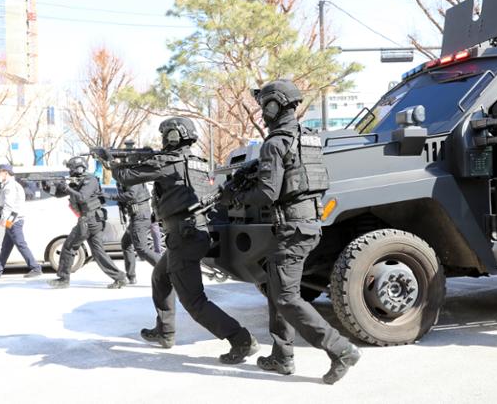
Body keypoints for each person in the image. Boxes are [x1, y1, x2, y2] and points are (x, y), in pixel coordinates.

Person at [223, 80, 360, 384]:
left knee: (286, 297)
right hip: (307, 224)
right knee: (277, 289)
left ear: (274, 106)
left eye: (264, 107)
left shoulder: (274, 143)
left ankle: (341, 350)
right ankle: (282, 356)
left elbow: (267, 194)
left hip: (291, 228)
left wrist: (236, 197)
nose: (262, 114)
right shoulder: (306, 138)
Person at [101, 116, 258, 365]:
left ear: (173, 136)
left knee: (194, 302)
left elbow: (126, 177)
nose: (163, 140)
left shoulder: (170, 161)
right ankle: (165, 331)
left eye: (165, 135)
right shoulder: (196, 163)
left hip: (184, 237)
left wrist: (108, 161)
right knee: (160, 277)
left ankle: (241, 339)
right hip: (195, 233)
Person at [46, 157, 128, 289]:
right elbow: (59, 194)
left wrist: (67, 188)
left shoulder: (90, 180)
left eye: (71, 168)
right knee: (98, 252)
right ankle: (119, 277)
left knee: (69, 247)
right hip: (91, 220)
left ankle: (63, 278)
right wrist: (48, 186)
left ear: (78, 168)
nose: (70, 171)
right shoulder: (79, 182)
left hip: (90, 220)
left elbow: (82, 197)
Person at [0, 164, 42, 279]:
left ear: (5, 172)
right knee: (6, 246)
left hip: (13, 220)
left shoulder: (9, 186)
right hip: (14, 219)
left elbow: (8, 205)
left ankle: (35, 268)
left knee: (20, 244)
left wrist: (3, 219)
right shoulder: (11, 184)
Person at [109, 179, 161, 284]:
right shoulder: (123, 179)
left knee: (142, 248)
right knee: (126, 243)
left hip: (140, 216)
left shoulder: (131, 177)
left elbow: (131, 195)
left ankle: (169, 270)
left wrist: (110, 196)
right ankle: (131, 276)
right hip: (135, 216)